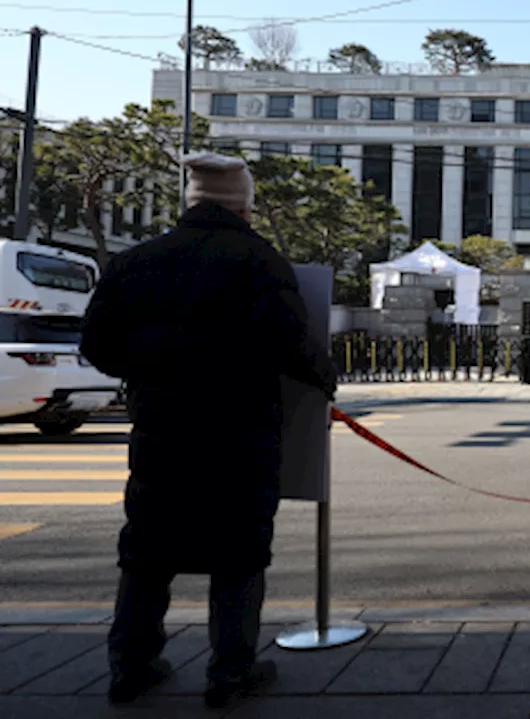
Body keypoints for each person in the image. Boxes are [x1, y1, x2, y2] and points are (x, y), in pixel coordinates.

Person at [79, 153, 337, 708]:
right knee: (238, 551)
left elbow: (97, 347)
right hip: (239, 430)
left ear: (189, 202)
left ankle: (131, 664)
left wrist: (153, 364)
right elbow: (291, 341)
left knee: (146, 550)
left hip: (161, 429)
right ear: (242, 204)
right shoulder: (258, 260)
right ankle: (230, 671)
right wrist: (326, 379)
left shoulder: (137, 261)